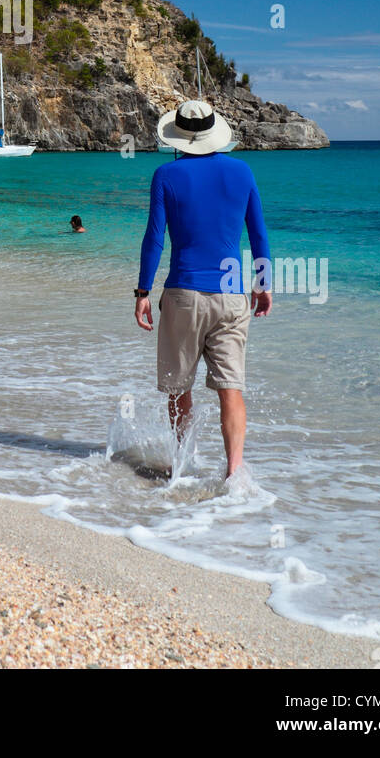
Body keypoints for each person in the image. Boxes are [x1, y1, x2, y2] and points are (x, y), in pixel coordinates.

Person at [133, 99, 272, 479]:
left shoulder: (166, 175)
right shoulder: (242, 172)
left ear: (179, 138)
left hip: (184, 296)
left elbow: (154, 240)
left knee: (180, 389)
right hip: (232, 296)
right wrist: (264, 284)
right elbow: (258, 233)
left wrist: (142, 292)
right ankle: (234, 474)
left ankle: (183, 464)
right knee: (231, 389)